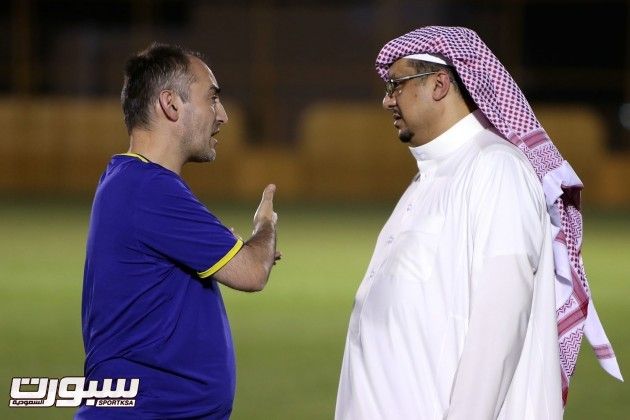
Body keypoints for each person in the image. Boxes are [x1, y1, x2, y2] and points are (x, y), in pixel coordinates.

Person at [335, 26, 622, 420]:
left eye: (396, 85)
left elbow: (499, 326)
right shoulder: (432, 176)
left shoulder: (496, 170)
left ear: (439, 85)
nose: (387, 100)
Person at [77, 43, 280, 419]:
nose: (222, 115)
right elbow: (253, 271)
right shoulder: (148, 188)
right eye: (212, 98)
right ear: (171, 104)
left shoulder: (132, 180)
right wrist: (265, 226)